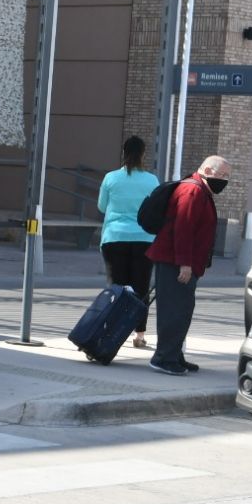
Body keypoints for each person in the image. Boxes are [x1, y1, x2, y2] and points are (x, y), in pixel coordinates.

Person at [146, 154, 229, 377]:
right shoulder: (193, 191)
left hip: (180, 262)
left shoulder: (200, 190)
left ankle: (174, 354)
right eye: (222, 175)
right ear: (207, 171)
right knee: (173, 311)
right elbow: (183, 228)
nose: (225, 180)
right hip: (175, 263)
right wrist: (184, 263)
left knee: (182, 310)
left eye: (227, 176)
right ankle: (163, 358)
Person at [96, 135, 159, 350]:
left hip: (114, 237)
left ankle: (112, 330)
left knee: (117, 287)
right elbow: (155, 209)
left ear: (123, 153)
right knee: (141, 287)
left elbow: (102, 206)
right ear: (143, 154)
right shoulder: (152, 181)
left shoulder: (111, 178)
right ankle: (139, 335)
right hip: (144, 238)